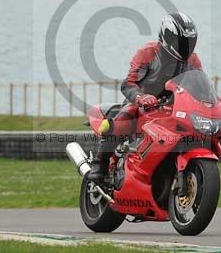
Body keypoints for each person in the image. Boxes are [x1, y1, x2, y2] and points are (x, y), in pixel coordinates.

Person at [86, 12, 202, 183]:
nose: (185, 46)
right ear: (167, 36)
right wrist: (141, 97)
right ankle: (99, 166)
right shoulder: (148, 53)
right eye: (181, 41)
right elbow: (128, 84)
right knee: (124, 118)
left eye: (188, 41)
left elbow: (198, 84)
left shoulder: (192, 60)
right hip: (141, 103)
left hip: (174, 106)